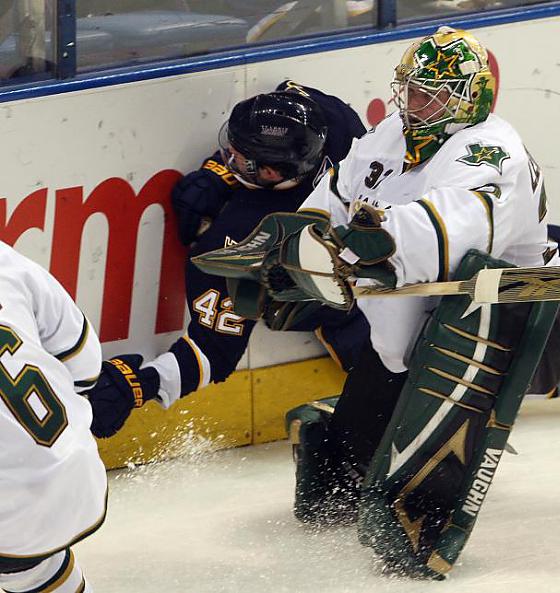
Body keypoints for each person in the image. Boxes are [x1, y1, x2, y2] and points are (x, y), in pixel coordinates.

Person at [192, 26, 560, 577]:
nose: (414, 103)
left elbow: (454, 227)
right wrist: (298, 240)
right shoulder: (391, 133)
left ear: (470, 98)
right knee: (336, 490)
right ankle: (331, 426)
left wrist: (375, 237)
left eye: (432, 94)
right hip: (404, 333)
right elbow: (337, 196)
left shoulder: (489, 151)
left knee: (547, 377)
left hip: (503, 319)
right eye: (410, 89)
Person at [84, 81, 368, 439]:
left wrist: (141, 384)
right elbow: (290, 92)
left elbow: (212, 353)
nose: (226, 158)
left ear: (269, 172)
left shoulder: (240, 238)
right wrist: (219, 174)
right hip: (376, 277)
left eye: (236, 157)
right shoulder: (334, 122)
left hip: (365, 299)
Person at [0, 241, 106, 593]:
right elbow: (86, 367)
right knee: (34, 570)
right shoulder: (6, 260)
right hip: (72, 464)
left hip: (9, 506)